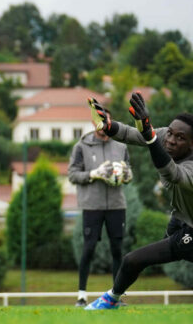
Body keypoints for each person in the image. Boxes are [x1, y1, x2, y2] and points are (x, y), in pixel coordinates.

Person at [84, 92, 193, 310]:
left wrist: (149, 136)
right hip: (186, 213)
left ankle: (111, 299)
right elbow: (134, 134)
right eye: (171, 134)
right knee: (172, 243)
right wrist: (109, 126)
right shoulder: (167, 135)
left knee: (132, 260)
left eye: (180, 138)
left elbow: (170, 172)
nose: (171, 140)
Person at [68, 125, 133, 307]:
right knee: (88, 249)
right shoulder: (81, 146)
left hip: (116, 205)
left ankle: (116, 297)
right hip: (92, 205)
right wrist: (94, 174)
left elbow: (128, 171)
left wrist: (127, 175)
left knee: (117, 250)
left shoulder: (121, 147)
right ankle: (81, 296)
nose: (102, 125)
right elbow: (72, 175)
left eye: (105, 121)